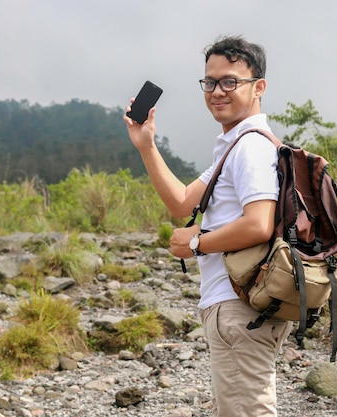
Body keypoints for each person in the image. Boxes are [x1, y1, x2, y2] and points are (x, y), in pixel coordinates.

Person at [124, 35, 292, 417]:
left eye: (230, 81)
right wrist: (146, 145)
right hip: (239, 302)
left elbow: (259, 224)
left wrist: (198, 243)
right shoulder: (235, 145)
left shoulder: (249, 147)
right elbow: (183, 201)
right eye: (210, 82)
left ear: (258, 87)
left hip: (238, 304)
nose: (218, 91)